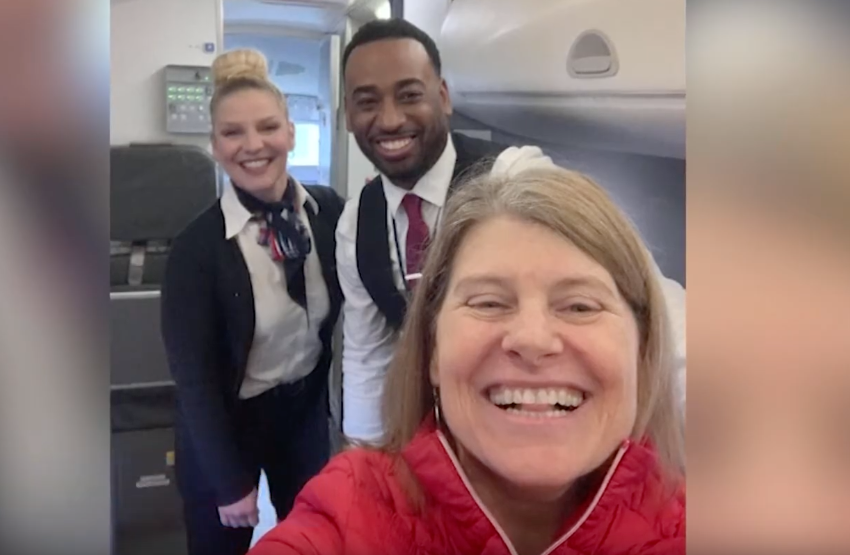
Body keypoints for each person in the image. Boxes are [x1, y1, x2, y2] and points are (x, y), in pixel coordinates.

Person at [248, 164, 686, 555]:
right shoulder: (347, 515)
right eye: (489, 303)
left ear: (643, 350)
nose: (532, 339)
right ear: (433, 350)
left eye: (580, 306)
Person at [335, 17, 687, 443]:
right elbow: (367, 357)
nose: (389, 120)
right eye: (367, 102)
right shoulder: (356, 224)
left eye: (409, 95)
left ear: (443, 97)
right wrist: (364, 459)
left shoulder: (516, 174)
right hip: (434, 433)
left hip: (529, 411)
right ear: (349, 116)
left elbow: (646, 293)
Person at [161, 49, 345, 555]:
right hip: (227, 424)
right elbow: (194, 378)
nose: (253, 145)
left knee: (316, 539)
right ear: (215, 147)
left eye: (267, 127)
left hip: (305, 413)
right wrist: (227, 480)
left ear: (290, 131)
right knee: (222, 542)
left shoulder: (329, 212)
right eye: (233, 133)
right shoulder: (196, 249)